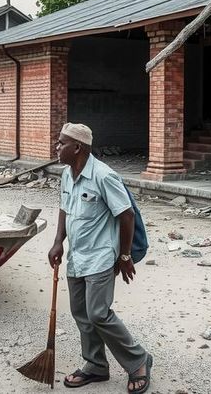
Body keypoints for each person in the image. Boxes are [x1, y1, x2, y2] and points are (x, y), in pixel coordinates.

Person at [48, 123, 153, 394]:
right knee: (82, 314)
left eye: (61, 143)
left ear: (77, 148)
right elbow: (64, 208)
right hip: (77, 257)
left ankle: (138, 360)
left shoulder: (104, 176)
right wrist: (58, 241)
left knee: (98, 314)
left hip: (101, 258)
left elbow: (126, 214)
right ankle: (95, 365)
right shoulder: (67, 175)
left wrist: (125, 255)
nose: (56, 147)